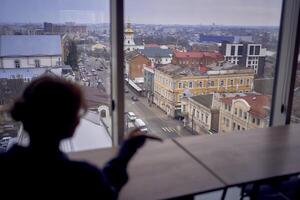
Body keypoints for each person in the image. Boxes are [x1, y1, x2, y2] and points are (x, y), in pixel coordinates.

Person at [0, 76, 161, 199]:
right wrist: (125, 152)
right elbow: (107, 189)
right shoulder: (80, 177)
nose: (79, 119)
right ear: (70, 124)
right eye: (77, 113)